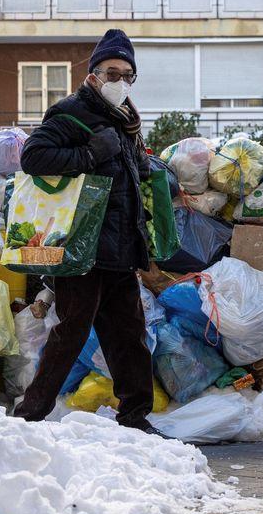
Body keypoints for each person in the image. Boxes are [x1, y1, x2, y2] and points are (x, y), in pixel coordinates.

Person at [14, 29, 168, 437]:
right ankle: (29, 416)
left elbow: (125, 178)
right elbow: (33, 157)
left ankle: (135, 418)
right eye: (111, 72)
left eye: (127, 75)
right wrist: (88, 154)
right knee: (71, 333)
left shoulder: (126, 122)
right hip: (82, 247)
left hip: (119, 247)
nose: (119, 82)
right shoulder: (70, 113)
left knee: (129, 336)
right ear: (93, 75)